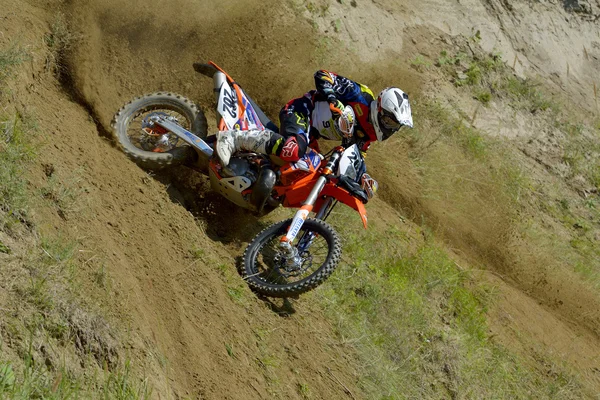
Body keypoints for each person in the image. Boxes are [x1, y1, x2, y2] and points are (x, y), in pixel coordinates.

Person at [216, 70, 413, 193]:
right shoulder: (361, 95)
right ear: (379, 108)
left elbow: (357, 155)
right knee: (293, 150)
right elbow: (323, 75)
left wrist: (363, 176)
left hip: (311, 135)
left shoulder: (369, 134)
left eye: (394, 126)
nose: (389, 128)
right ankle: (232, 138)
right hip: (301, 111)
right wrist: (334, 101)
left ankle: (254, 177)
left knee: (306, 172)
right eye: (389, 121)